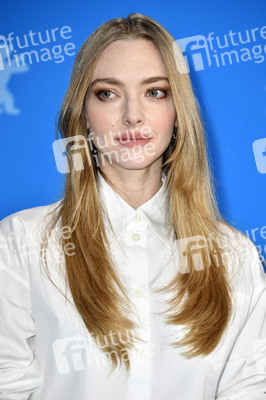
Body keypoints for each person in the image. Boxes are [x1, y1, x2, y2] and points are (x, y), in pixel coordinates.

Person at [0, 12, 265, 400]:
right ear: (83, 114)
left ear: (178, 113)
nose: (132, 116)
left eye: (155, 91)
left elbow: (251, 388)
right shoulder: (20, 244)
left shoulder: (235, 257)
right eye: (107, 93)